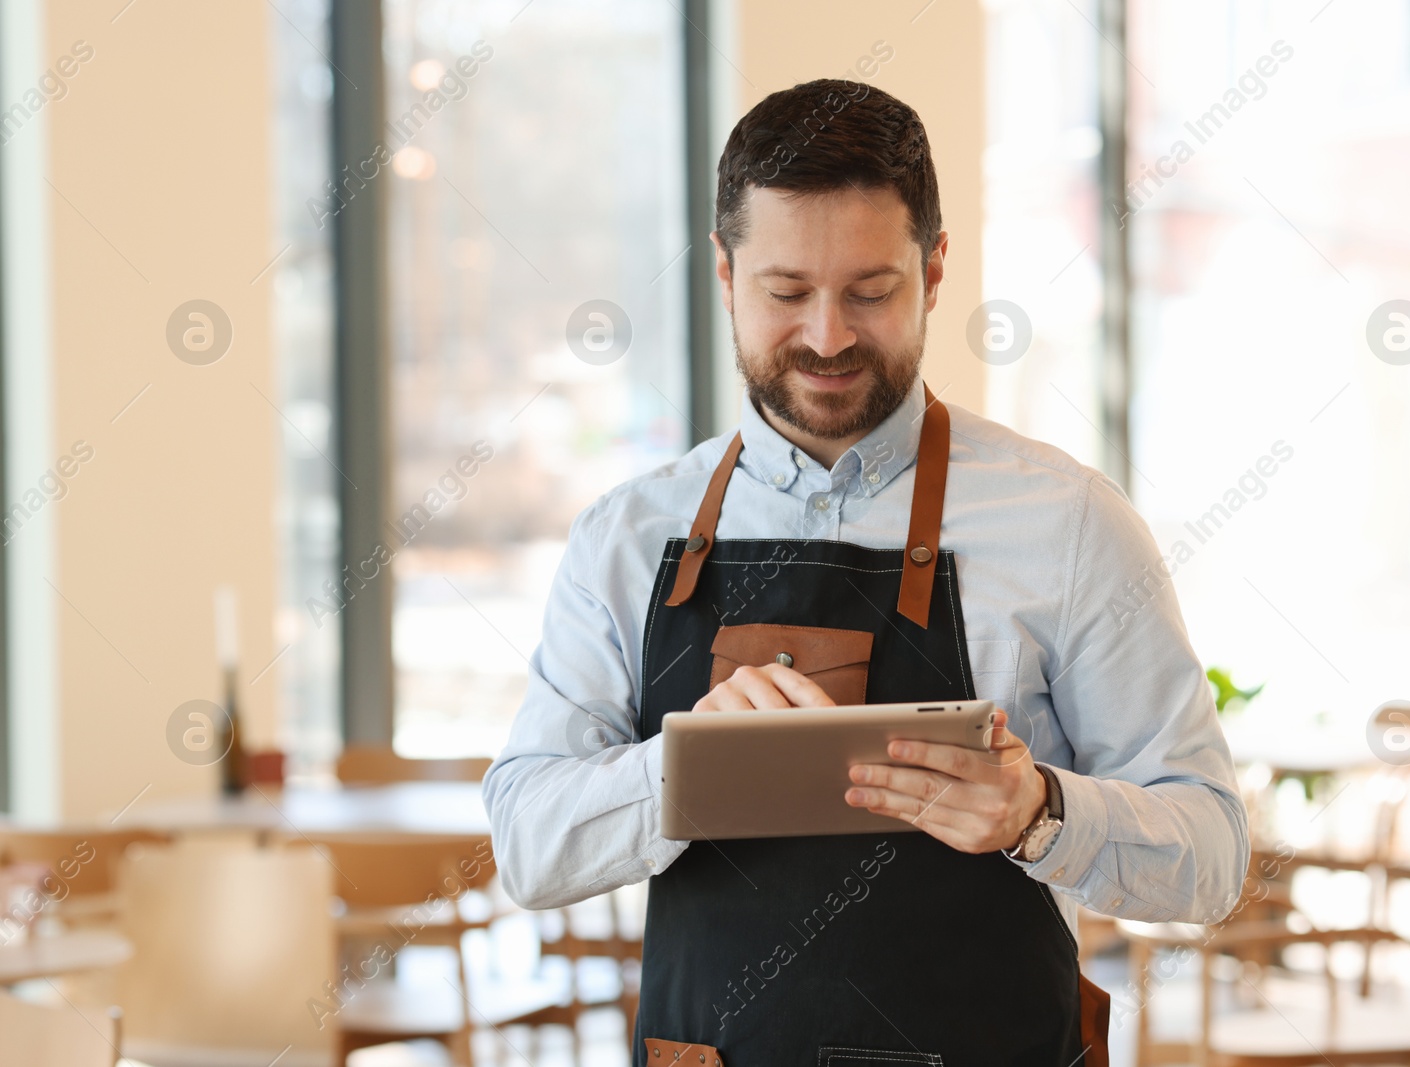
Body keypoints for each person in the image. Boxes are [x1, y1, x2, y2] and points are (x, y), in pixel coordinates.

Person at [484, 78, 1248, 1066]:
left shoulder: (1068, 524)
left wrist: (1040, 811)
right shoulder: (626, 536)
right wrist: (679, 775)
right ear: (723, 273)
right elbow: (528, 847)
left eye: (870, 291)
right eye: (786, 291)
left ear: (933, 270)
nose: (828, 335)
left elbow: (1213, 856)